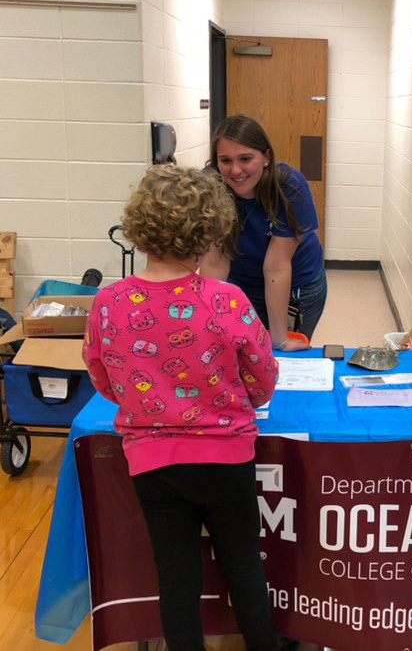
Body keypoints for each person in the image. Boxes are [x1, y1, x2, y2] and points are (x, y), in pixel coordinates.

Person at [82, 165, 279, 651]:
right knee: (244, 566)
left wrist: (146, 405)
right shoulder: (226, 300)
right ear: (208, 234)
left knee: (175, 577)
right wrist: (244, 400)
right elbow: (263, 377)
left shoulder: (108, 303)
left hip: (152, 462)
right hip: (225, 459)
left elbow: (101, 374)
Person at [202, 114, 326, 352]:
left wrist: (280, 339)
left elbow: (276, 266)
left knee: (281, 355)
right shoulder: (210, 185)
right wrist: (213, 328)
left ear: (266, 157)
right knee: (238, 351)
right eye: (225, 160)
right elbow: (215, 262)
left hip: (295, 285)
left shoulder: (289, 186)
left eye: (245, 159)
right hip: (241, 282)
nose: (235, 170)